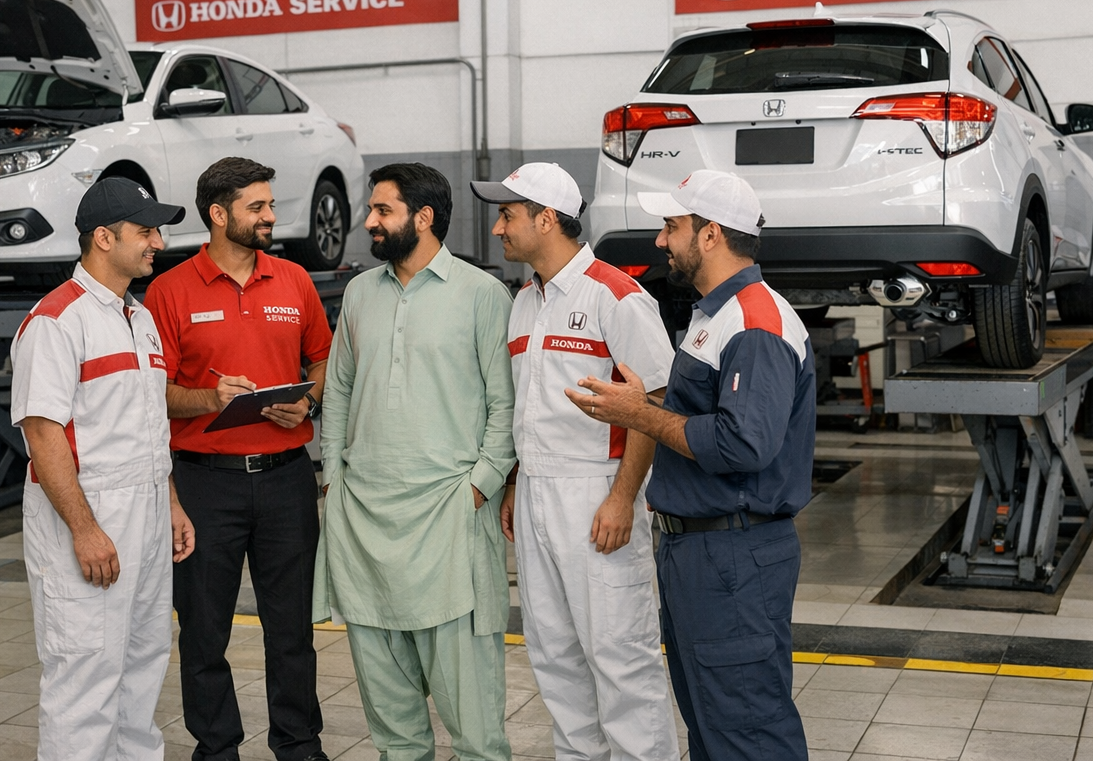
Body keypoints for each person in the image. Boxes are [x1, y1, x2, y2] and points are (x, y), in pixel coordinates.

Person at [565, 170, 814, 761]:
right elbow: (711, 416)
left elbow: (741, 446)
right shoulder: (713, 315)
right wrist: (647, 403)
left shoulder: (755, 323)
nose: (660, 241)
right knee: (712, 725)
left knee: (748, 728)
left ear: (711, 236)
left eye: (672, 227)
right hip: (700, 554)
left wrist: (640, 416)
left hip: (734, 556)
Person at [469, 162, 678, 761]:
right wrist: (516, 482)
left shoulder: (616, 296)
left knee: (620, 659)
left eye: (507, 216)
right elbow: (525, 406)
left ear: (546, 218)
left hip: (596, 495)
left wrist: (621, 497)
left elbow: (654, 404)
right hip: (535, 492)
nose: (497, 230)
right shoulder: (525, 302)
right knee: (555, 657)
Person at [314, 162, 517, 761]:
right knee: (393, 728)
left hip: (449, 522)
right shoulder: (358, 292)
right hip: (365, 523)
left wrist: (478, 487)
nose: (369, 222)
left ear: (422, 218)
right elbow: (341, 391)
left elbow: (504, 405)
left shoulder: (482, 295)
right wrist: (334, 478)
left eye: (383, 211)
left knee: (475, 727)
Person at [144, 157, 334, 761]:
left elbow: (324, 363)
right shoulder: (168, 291)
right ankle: (217, 748)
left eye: (270, 205)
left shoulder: (294, 280)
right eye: (258, 206)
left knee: (292, 633)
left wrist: (307, 402)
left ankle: (300, 746)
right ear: (219, 214)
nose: (271, 216)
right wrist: (209, 397)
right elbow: (155, 391)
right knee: (203, 633)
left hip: (286, 481)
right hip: (204, 483)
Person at [10, 176, 198, 761]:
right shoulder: (56, 320)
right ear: (102, 238)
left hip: (143, 511)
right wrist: (85, 529)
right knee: (84, 676)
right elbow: (42, 434)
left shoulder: (137, 318)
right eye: (145, 232)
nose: (157, 243)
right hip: (87, 514)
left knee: (142, 666)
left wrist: (168, 503)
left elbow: (147, 425)